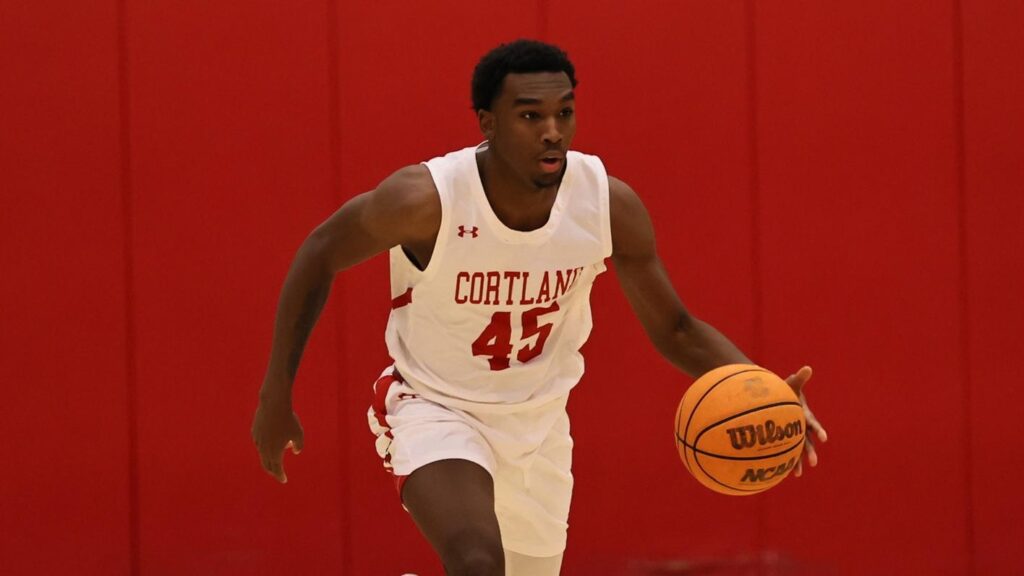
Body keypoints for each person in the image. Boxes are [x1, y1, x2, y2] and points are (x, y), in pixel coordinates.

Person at [251, 39, 827, 576]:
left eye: (564, 113)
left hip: (541, 421)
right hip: (434, 405)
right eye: (531, 116)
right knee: (477, 561)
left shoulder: (605, 203)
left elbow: (675, 327)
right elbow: (321, 250)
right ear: (488, 122)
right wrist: (276, 390)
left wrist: (763, 390)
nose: (553, 131)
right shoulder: (426, 200)